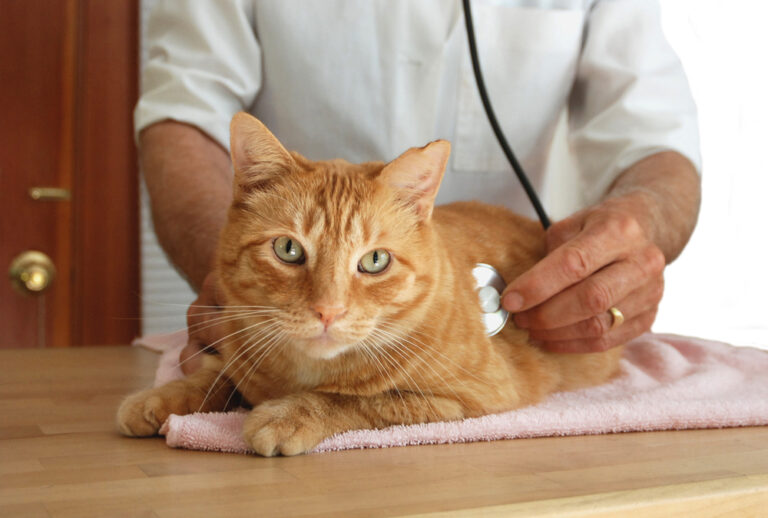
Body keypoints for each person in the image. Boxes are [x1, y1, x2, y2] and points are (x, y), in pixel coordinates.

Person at [136, 0, 701, 373]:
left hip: (512, 315)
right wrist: (239, 275)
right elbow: (185, 112)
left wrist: (640, 225)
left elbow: (654, 136)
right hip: (276, 313)